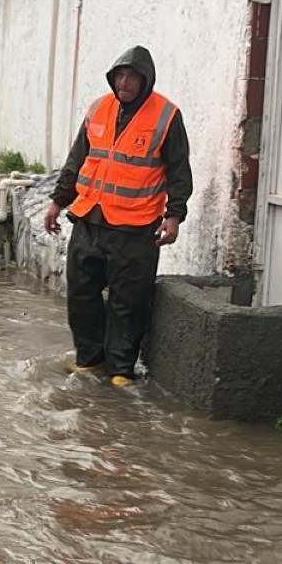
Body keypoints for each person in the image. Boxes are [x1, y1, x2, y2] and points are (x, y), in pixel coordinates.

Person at [42, 46, 192, 387]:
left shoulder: (166, 116)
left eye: (132, 77)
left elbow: (179, 170)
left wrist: (174, 216)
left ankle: (121, 370)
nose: (124, 83)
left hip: (136, 227)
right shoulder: (98, 108)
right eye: (119, 76)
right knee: (81, 295)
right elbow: (77, 159)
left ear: (145, 81)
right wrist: (57, 202)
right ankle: (90, 360)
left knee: (129, 301)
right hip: (89, 219)